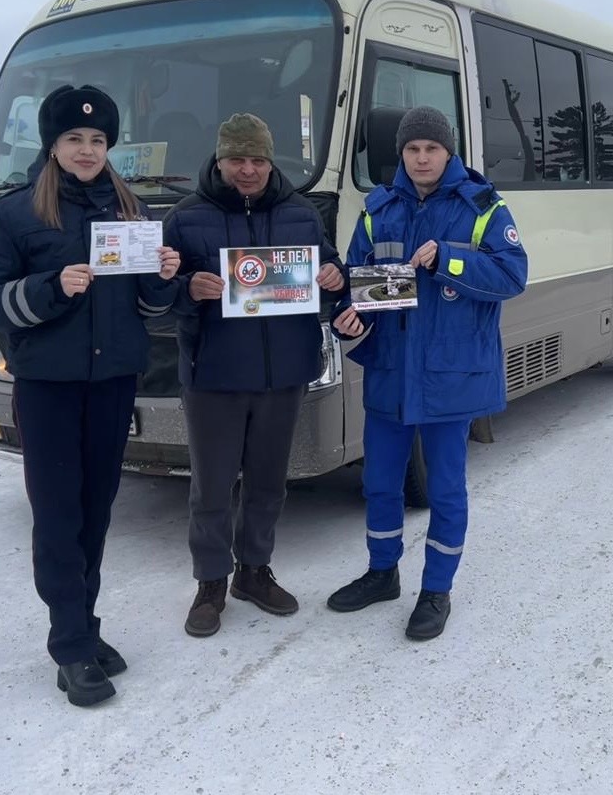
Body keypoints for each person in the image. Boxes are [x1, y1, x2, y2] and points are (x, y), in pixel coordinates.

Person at [0, 85, 181, 707]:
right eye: (74, 139)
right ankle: (70, 645)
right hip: (49, 388)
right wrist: (50, 287)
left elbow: (147, 307)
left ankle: (83, 626)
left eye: (97, 140)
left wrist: (161, 279)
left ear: (110, 147)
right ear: (53, 144)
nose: (86, 150)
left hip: (112, 383)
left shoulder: (130, 209)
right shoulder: (16, 215)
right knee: (59, 517)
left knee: (97, 509)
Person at [328, 105, 528, 640]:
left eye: (431, 149)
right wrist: (348, 321)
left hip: (450, 375)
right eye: (412, 149)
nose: (421, 158)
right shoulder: (378, 209)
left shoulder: (482, 207)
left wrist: (450, 261)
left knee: (444, 489)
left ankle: (436, 590)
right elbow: (356, 283)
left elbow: (513, 275)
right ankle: (382, 573)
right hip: (390, 372)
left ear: (449, 151)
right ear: (402, 153)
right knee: (379, 484)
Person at [164, 113, 345, 638]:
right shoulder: (185, 217)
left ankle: (254, 571)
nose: (248, 170)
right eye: (237, 159)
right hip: (214, 375)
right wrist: (186, 292)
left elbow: (328, 276)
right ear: (219, 161)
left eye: (258, 159)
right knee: (212, 488)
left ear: (271, 161)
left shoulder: (301, 215)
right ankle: (211, 581)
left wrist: (334, 278)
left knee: (268, 483)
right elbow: (154, 296)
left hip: (283, 374)